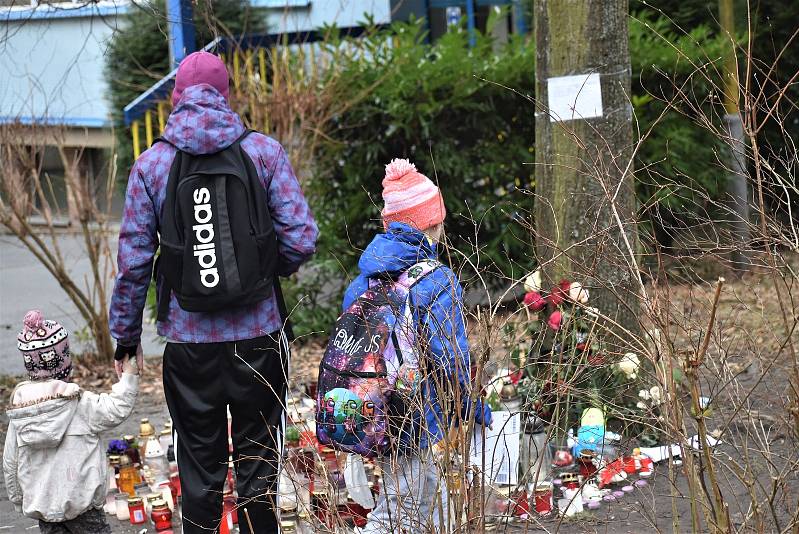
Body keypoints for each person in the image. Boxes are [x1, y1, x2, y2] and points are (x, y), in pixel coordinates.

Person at [108, 51, 318, 533]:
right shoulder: (262, 152)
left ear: (176, 98)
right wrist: (268, 271)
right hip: (259, 336)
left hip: (187, 344)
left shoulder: (152, 165)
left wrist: (125, 335)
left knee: (200, 470)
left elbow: (134, 261)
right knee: (259, 463)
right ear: (226, 97)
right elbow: (302, 237)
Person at [342, 158, 492, 533]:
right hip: (416, 413)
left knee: (427, 497)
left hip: (373, 410)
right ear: (430, 223)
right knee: (400, 510)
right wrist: (471, 407)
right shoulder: (436, 280)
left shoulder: (362, 283)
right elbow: (450, 358)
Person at [3, 310, 140, 534]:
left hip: (44, 510)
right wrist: (130, 373)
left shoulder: (20, 412)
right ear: (64, 360)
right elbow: (117, 408)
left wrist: (20, 500)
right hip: (83, 506)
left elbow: (11, 462)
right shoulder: (79, 403)